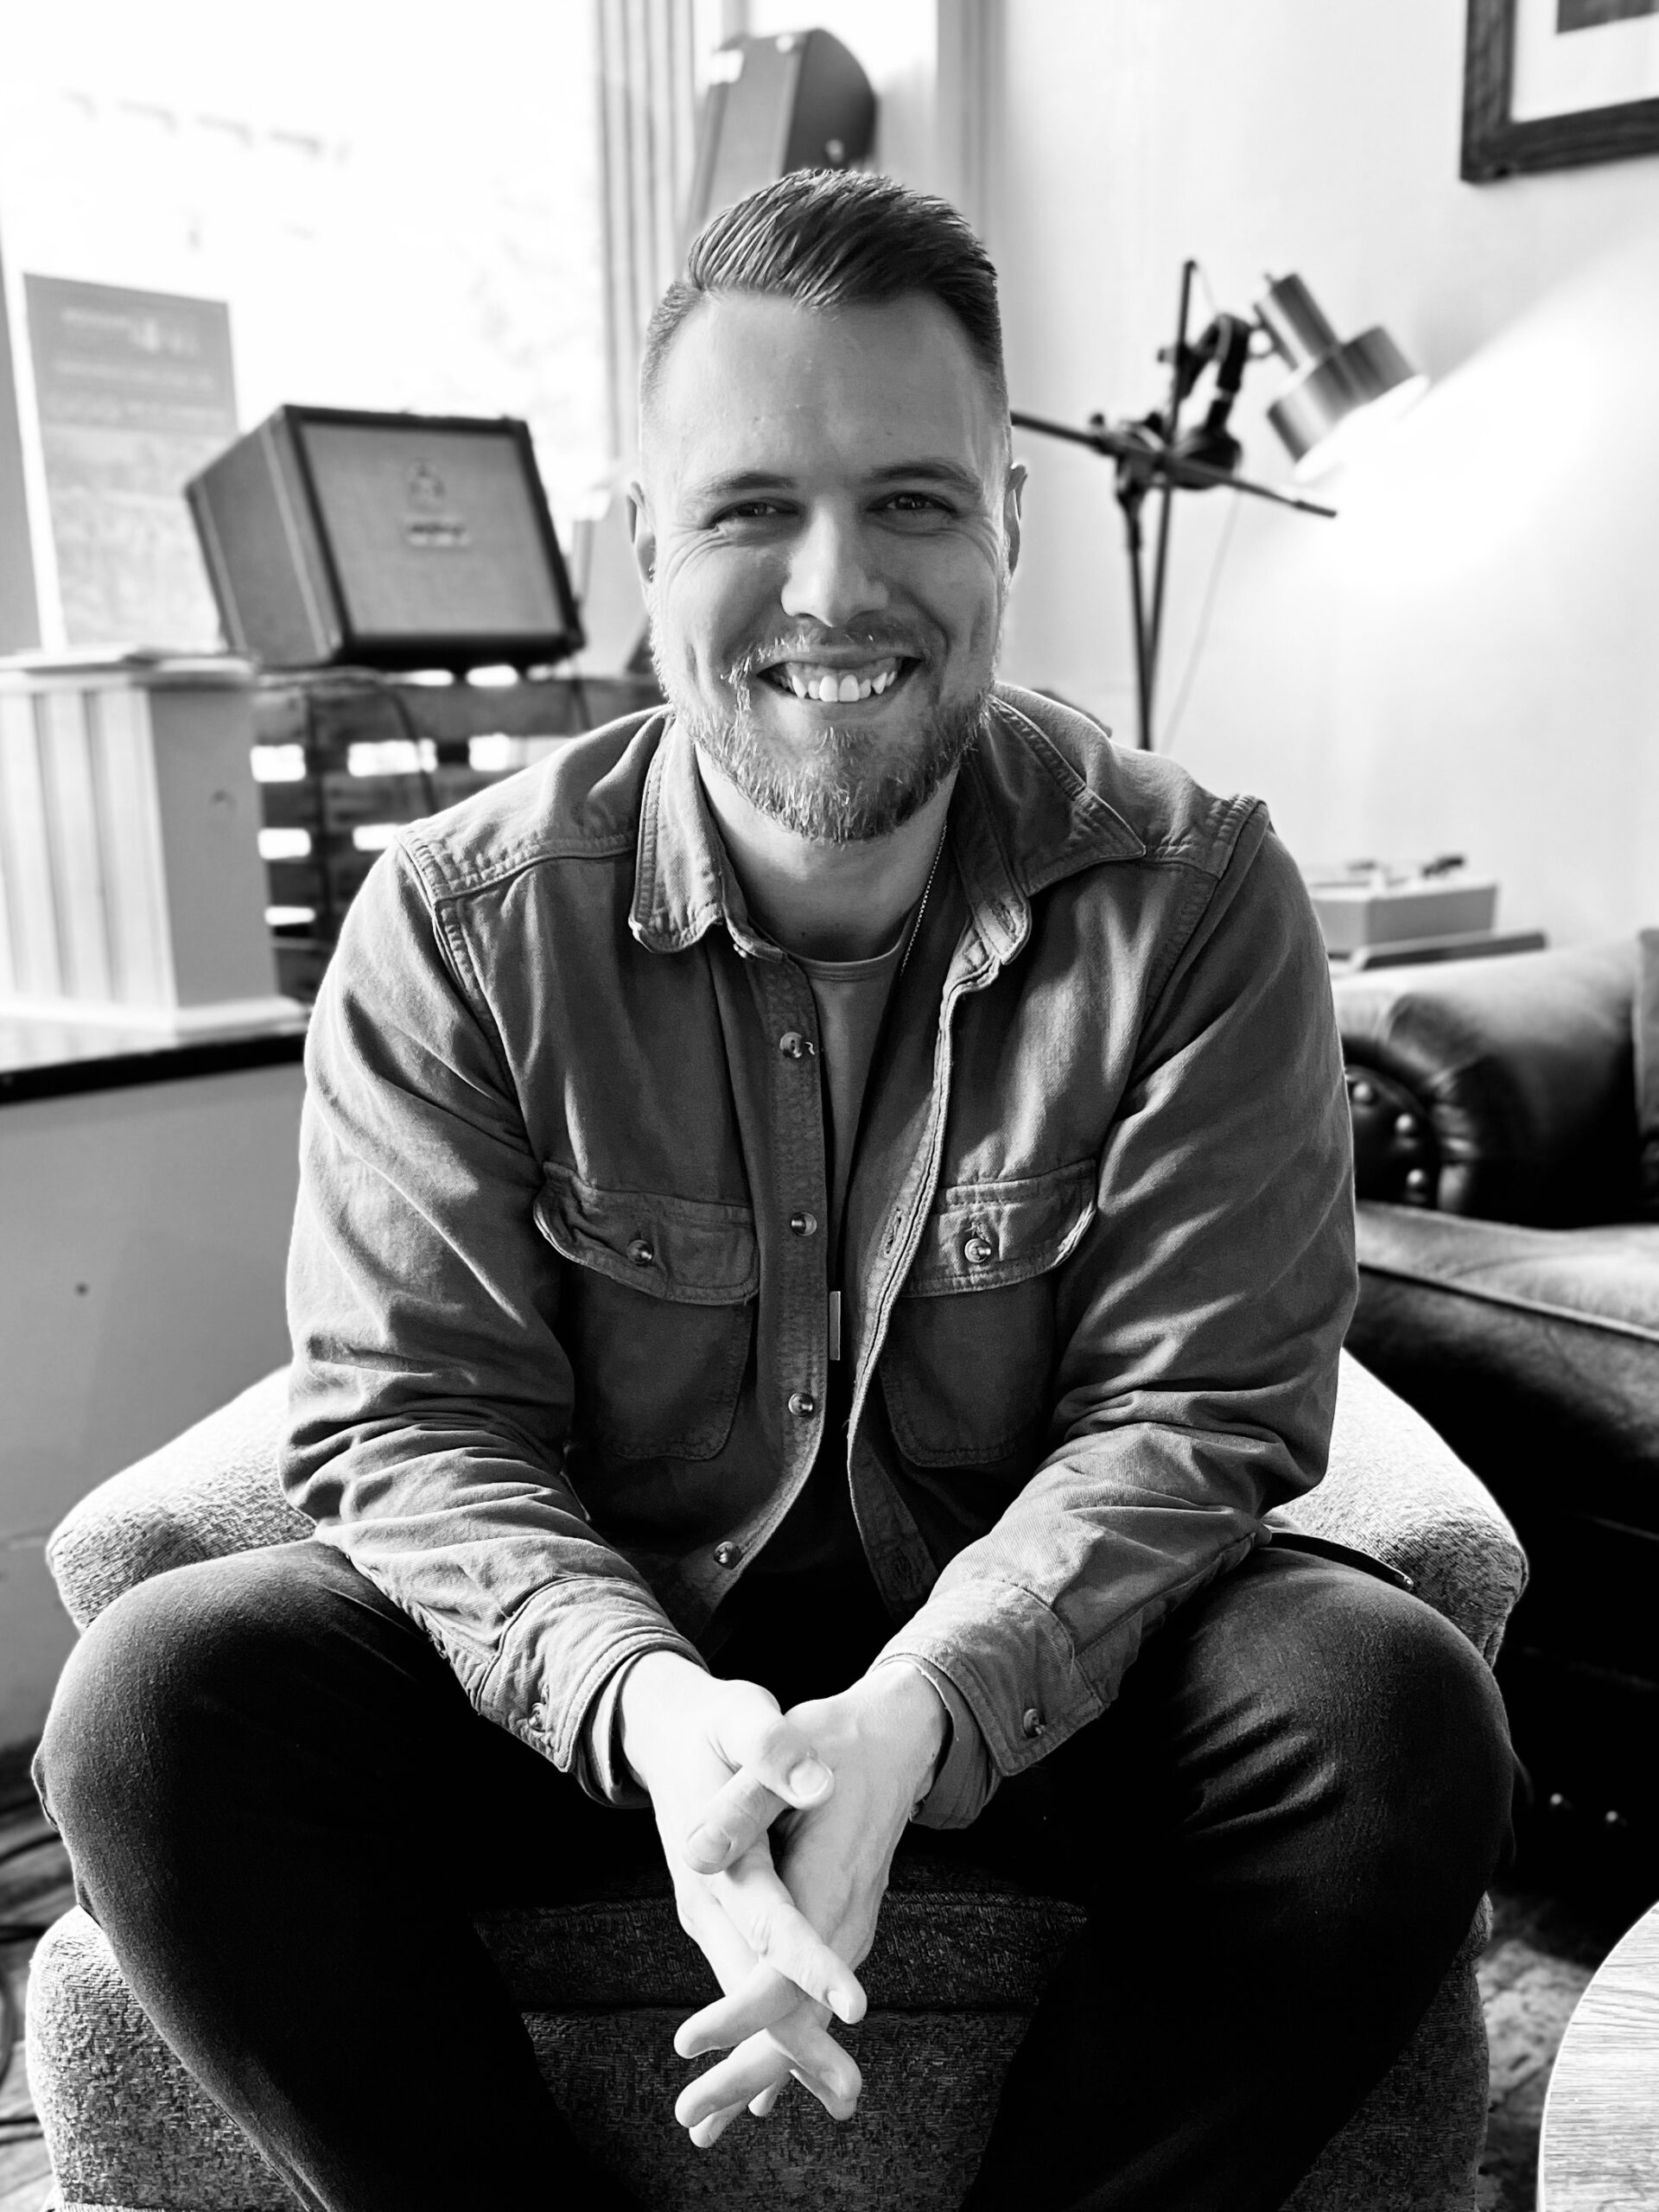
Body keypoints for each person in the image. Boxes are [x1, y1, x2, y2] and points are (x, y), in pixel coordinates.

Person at [36, 170, 1512, 2212]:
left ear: (1007, 516)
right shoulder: (457, 925)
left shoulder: (1195, 901)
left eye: (912, 499)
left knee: (1389, 1715)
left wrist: (914, 1715)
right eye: (751, 509)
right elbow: (419, 1418)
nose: (836, 587)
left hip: (1049, 1693)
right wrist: (653, 1713)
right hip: (594, 1692)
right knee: (156, 1708)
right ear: (649, 544)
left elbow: (1197, 1408)